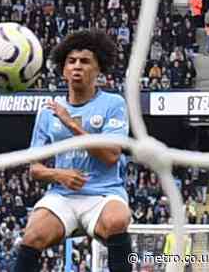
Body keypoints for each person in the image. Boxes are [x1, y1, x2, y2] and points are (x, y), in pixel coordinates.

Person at [12, 30, 132, 272]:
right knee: (31, 236)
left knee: (118, 219)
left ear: (99, 70)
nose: (77, 66)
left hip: (103, 193)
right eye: (71, 61)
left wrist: (72, 124)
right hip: (62, 195)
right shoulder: (48, 111)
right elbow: (34, 169)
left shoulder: (114, 104)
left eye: (85, 61)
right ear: (63, 69)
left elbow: (111, 156)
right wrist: (59, 175)